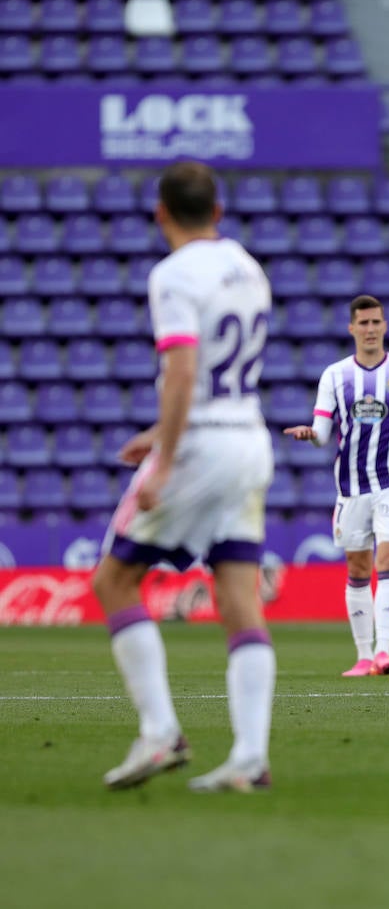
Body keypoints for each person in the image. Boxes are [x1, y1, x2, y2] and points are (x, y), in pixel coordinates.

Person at [94, 161, 276, 793]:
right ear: (219, 213)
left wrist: (163, 458)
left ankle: (160, 733)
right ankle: (250, 758)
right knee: (238, 595)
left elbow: (182, 370)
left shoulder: (172, 274)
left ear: (161, 213)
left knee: (114, 580)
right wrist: (161, 433)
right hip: (247, 439)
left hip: (199, 448)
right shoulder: (249, 267)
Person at [283, 295, 389, 677]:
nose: (370, 329)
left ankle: (384, 653)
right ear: (352, 328)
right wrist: (309, 434)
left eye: (376, 323)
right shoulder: (335, 375)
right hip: (351, 487)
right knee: (357, 567)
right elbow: (322, 432)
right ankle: (364, 655)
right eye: (363, 323)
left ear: (385, 326)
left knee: (388, 561)